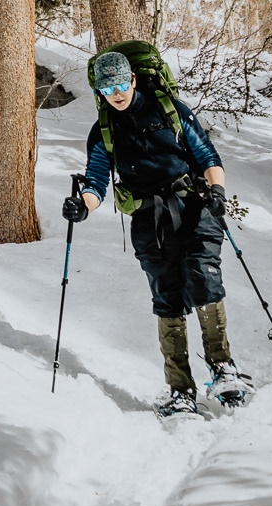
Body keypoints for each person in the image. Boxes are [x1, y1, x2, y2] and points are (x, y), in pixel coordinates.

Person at [61, 46, 253, 418]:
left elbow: (208, 157)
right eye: (106, 88)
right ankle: (181, 389)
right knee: (167, 298)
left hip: (194, 208)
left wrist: (216, 191)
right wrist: (82, 207)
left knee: (204, 280)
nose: (115, 93)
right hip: (148, 219)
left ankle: (224, 368)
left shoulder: (171, 111)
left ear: (133, 79)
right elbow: (97, 181)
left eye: (120, 84)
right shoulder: (104, 131)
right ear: (99, 92)